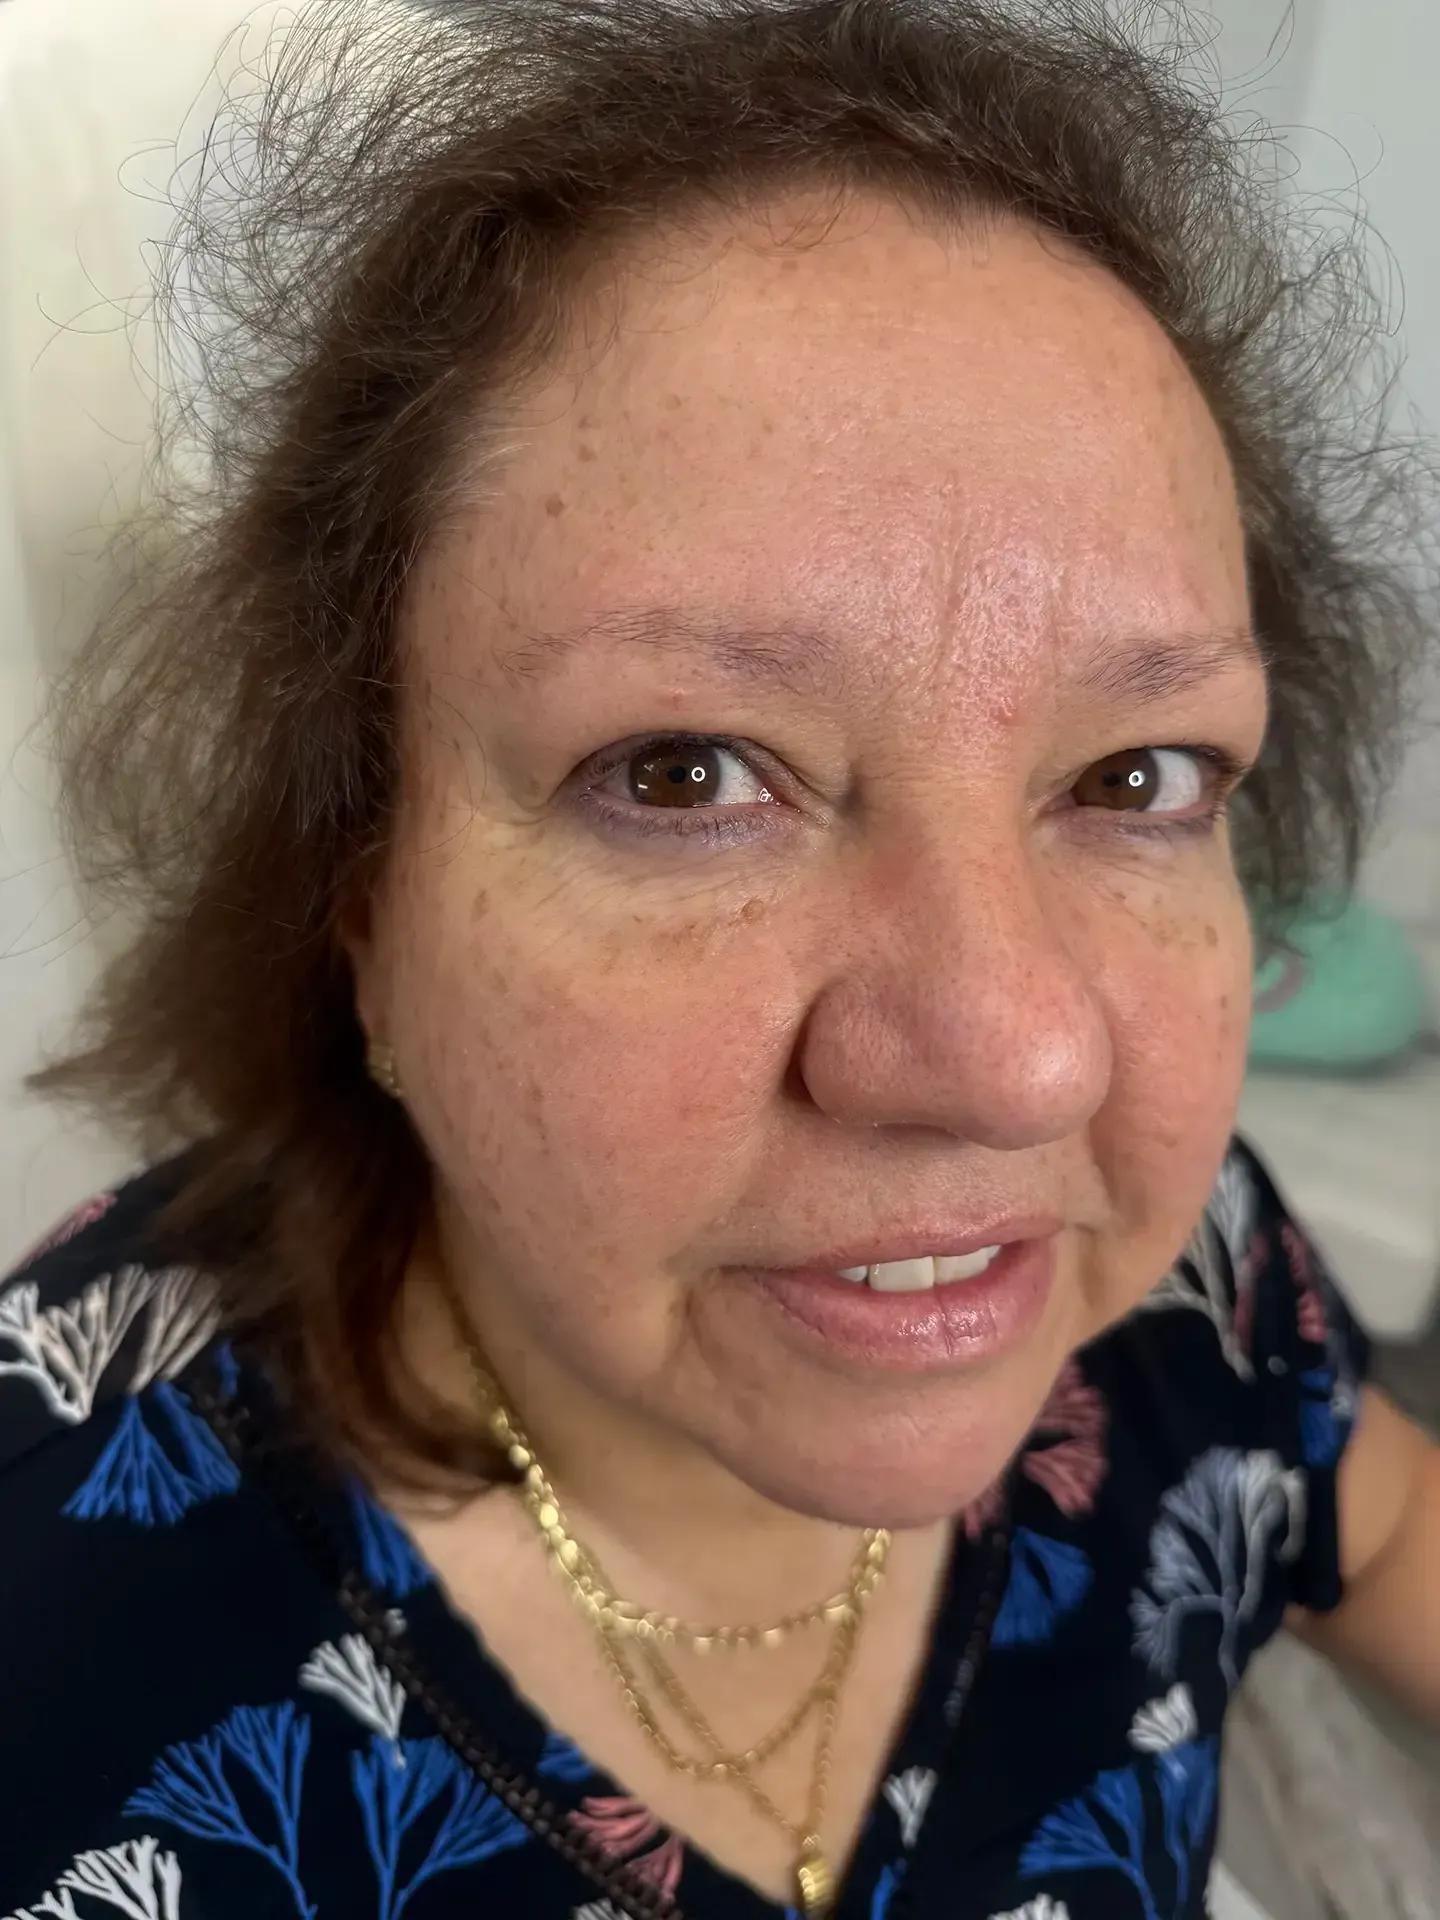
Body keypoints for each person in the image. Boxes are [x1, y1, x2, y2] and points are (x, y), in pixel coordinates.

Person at [2, 1, 1436, 1915]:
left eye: (1137, 773)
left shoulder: (1188, 1288)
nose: (1021, 1063)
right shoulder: (60, 1649)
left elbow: (1389, 1515)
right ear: (357, 890)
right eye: (683, 773)